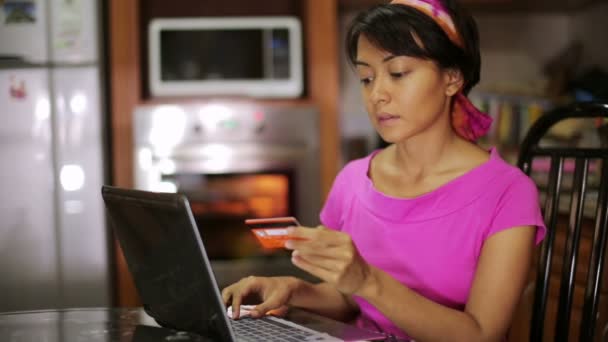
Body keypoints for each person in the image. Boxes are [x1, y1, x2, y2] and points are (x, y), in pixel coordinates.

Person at [222, 0, 546, 340]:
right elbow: (348, 298)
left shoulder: (508, 192)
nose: (377, 94)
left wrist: (369, 280)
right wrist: (290, 289)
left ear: (452, 79)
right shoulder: (354, 180)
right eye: (366, 77)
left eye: (398, 73)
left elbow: (481, 334)